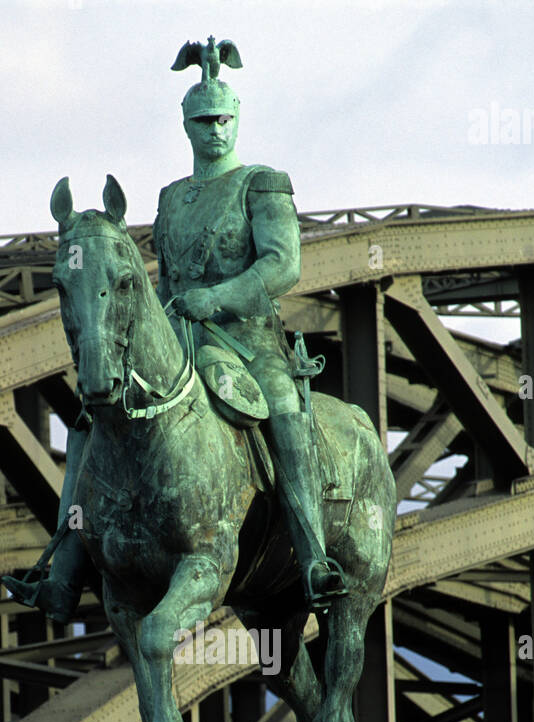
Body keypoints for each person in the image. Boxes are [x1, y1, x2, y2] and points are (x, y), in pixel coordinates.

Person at [155, 36, 346, 610]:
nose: (215, 128)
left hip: (249, 341)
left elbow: (282, 265)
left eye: (224, 118)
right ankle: (66, 559)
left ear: (237, 121)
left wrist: (214, 298)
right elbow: (164, 280)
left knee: (284, 410)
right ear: (186, 126)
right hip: (180, 339)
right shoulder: (170, 199)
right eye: (203, 120)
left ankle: (313, 555)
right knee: (101, 407)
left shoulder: (262, 182)